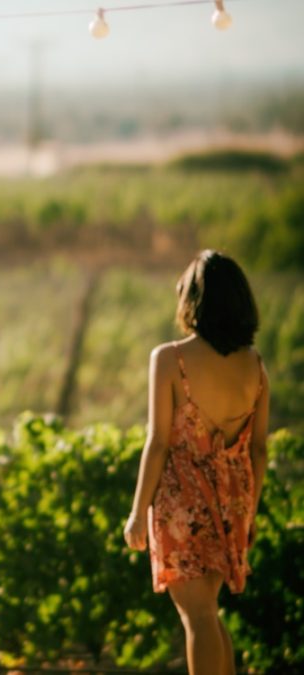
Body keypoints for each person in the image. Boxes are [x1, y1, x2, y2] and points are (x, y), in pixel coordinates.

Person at [124, 250, 269, 675]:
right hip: (236, 499)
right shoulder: (255, 366)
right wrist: (250, 511)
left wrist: (137, 513)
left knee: (198, 615)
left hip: (182, 498)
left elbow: (158, 441)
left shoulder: (170, 358)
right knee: (208, 611)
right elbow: (259, 449)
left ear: (194, 301)